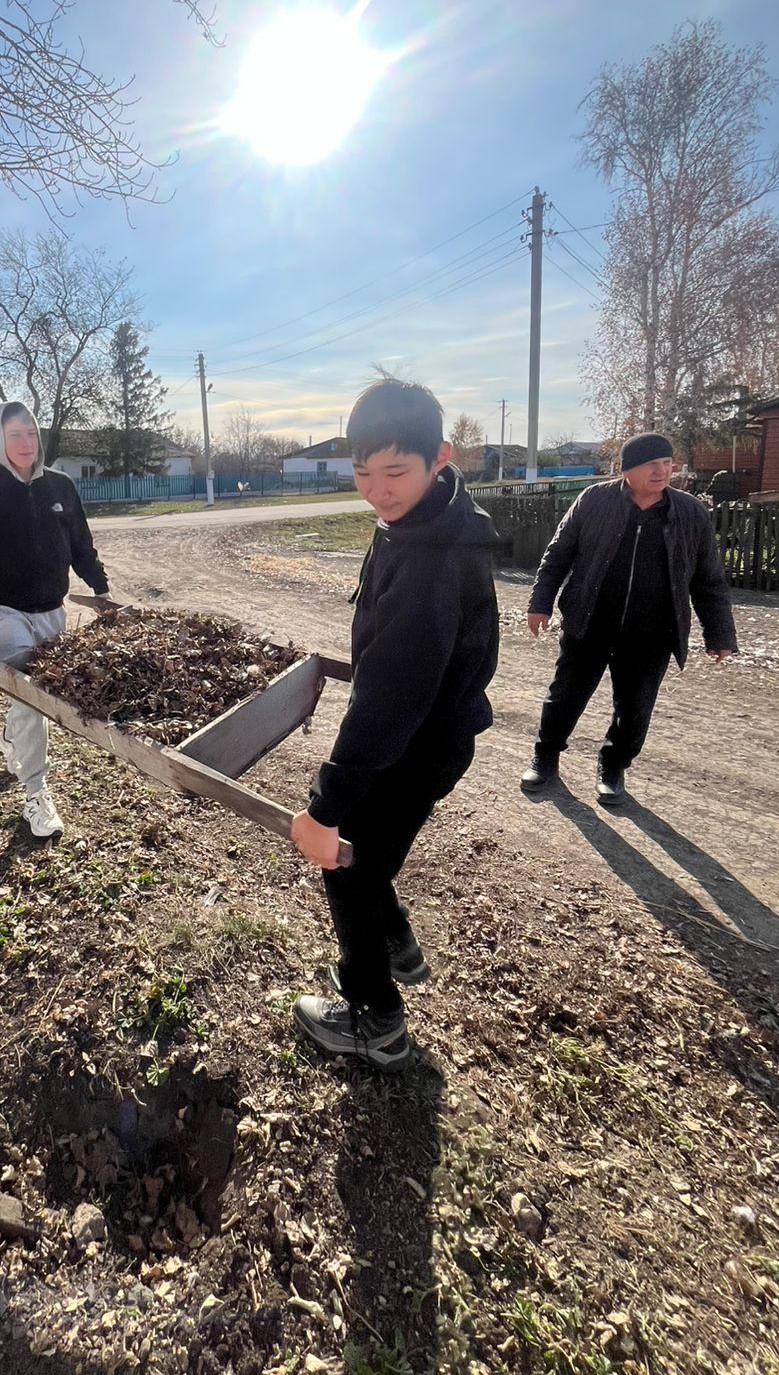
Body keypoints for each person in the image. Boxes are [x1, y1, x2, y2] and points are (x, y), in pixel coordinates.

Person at [289, 379, 500, 1071]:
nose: (377, 490)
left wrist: (325, 807)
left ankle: (374, 1018)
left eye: (394, 472)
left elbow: (390, 701)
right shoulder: (426, 518)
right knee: (373, 856)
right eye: (362, 472)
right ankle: (397, 944)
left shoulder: (430, 563)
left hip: (415, 744)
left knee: (346, 863)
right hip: (429, 734)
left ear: (438, 456)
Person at [520, 432, 737, 806]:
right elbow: (558, 554)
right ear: (627, 470)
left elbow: (708, 578)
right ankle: (546, 757)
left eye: (667, 463)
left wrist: (719, 632)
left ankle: (614, 766)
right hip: (590, 620)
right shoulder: (595, 500)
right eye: (652, 464)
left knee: (635, 708)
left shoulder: (689, 513)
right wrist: (540, 602)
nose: (662, 471)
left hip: (652, 631)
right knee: (565, 696)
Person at [0, 401, 114, 838]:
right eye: (15, 435)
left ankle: (12, 739)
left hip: (53, 610)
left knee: (40, 698)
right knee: (31, 696)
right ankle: (36, 793)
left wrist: (101, 588)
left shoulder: (61, 487)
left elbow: (80, 545)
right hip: (5, 611)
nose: (26, 443)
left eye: (31, 433)